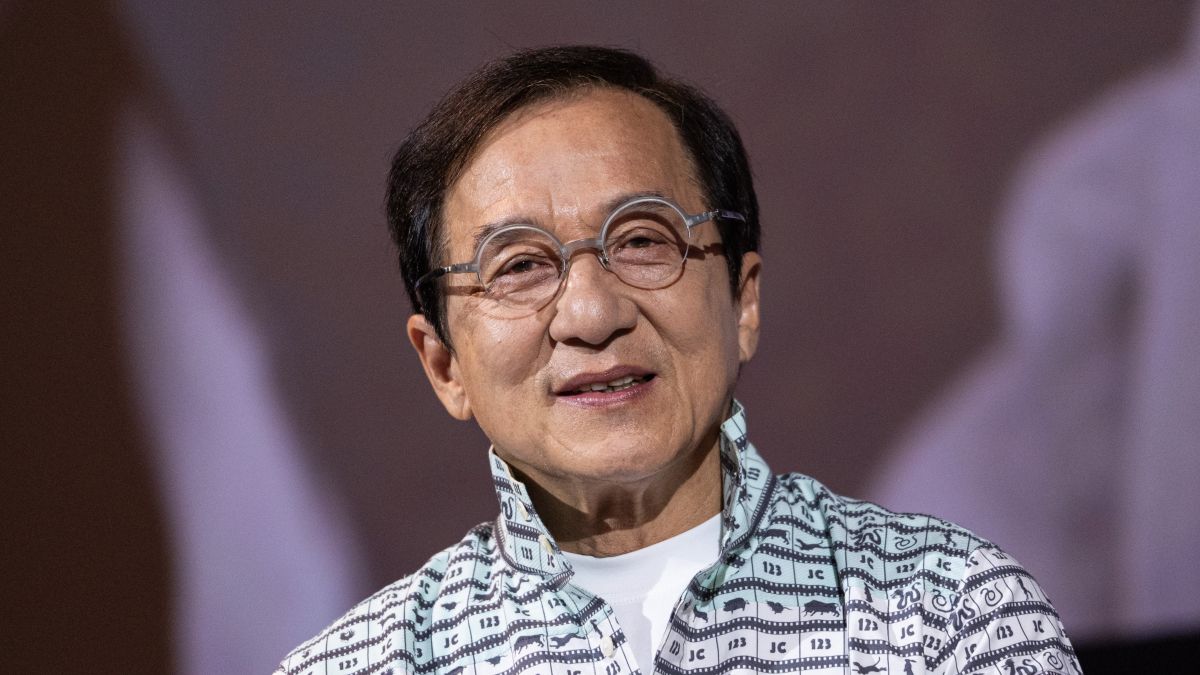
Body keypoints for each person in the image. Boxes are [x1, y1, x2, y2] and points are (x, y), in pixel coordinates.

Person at [276, 46, 1078, 675]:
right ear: (444, 362)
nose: (592, 313)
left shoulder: (946, 615)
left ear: (744, 300)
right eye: (518, 264)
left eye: (641, 240)